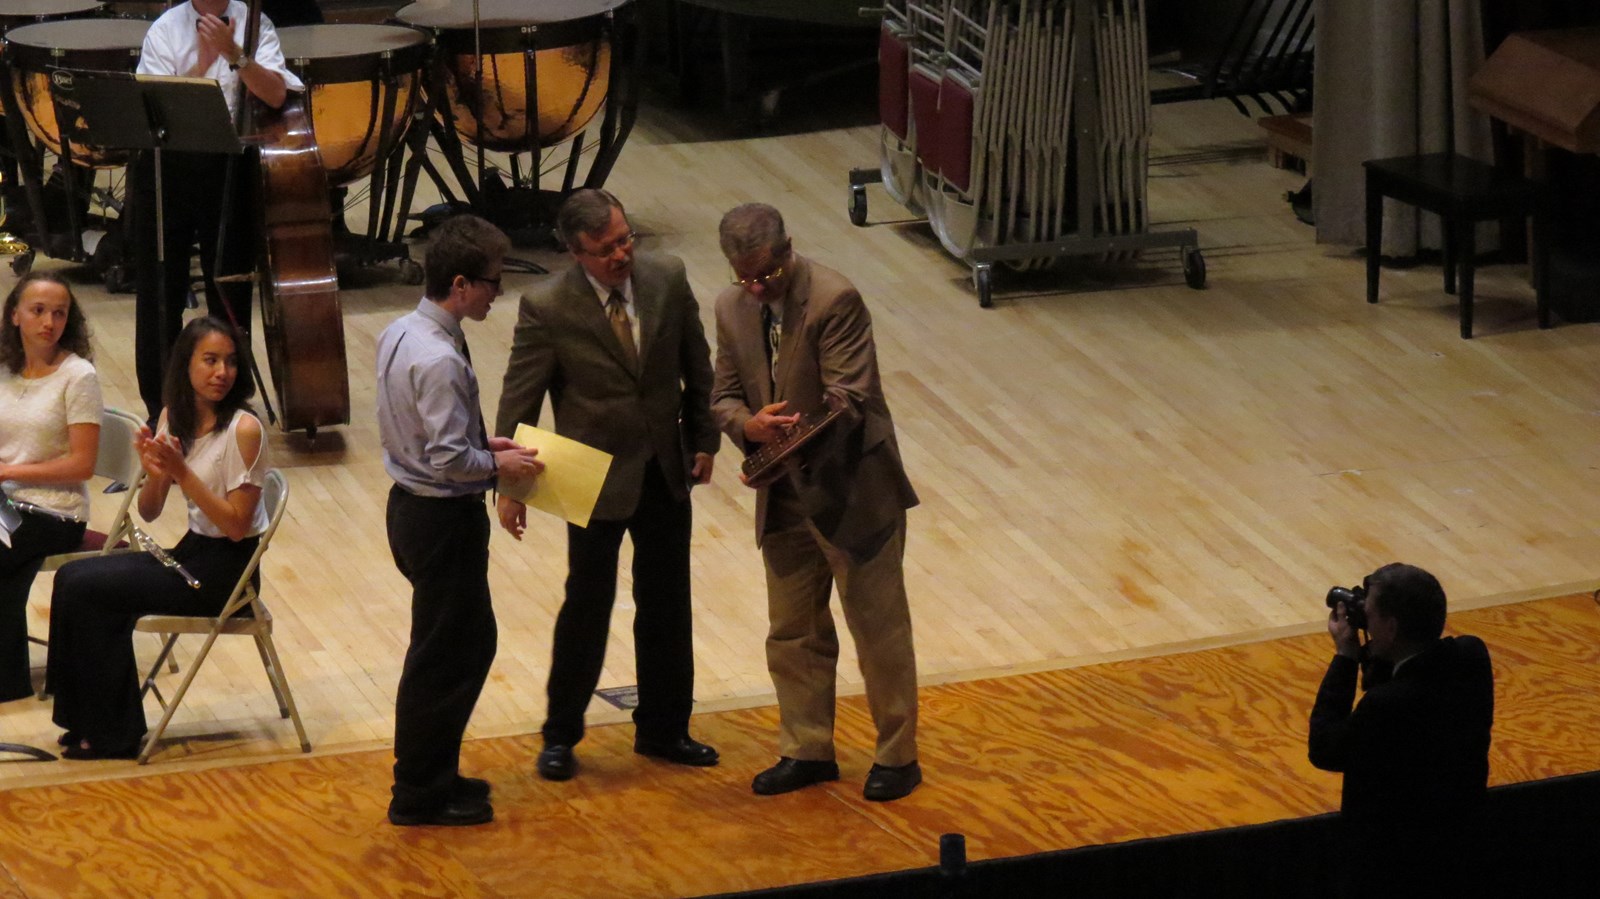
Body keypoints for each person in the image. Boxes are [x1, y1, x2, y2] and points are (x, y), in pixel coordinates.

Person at [494, 188, 721, 782]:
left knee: (668, 604)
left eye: (625, 240)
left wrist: (705, 438)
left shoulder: (667, 277)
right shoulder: (547, 306)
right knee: (586, 607)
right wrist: (510, 485)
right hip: (589, 477)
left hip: (664, 468)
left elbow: (698, 365)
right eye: (606, 249)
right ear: (576, 253)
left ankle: (666, 728)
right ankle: (560, 735)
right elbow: (520, 398)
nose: (621, 255)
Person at [709, 203, 922, 802]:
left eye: (766, 275)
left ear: (788, 250)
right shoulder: (730, 306)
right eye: (744, 277)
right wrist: (749, 427)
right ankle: (806, 750)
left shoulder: (835, 299)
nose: (755, 288)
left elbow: (848, 400)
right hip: (784, 496)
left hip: (851, 489)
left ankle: (898, 756)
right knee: (792, 632)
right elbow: (723, 395)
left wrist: (774, 448)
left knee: (877, 632)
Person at [377, 214, 541, 827]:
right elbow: (449, 462)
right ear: (462, 284)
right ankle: (418, 792)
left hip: (411, 508)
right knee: (445, 658)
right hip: (441, 519)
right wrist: (500, 468)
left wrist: (483, 446)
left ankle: (434, 773)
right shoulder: (440, 359)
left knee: (457, 647)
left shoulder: (401, 331)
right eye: (494, 281)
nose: (499, 291)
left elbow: (428, 438)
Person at [46, 316, 269, 759]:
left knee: (93, 592)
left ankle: (115, 734)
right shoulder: (175, 416)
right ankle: (84, 719)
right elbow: (149, 511)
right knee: (71, 578)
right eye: (210, 360)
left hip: (225, 572)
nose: (222, 372)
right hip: (192, 552)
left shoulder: (244, 430)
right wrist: (155, 472)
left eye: (229, 362)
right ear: (186, 365)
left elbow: (235, 527)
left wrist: (182, 473)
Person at [131, 0, 304, 423]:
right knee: (159, 292)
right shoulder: (165, 30)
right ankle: (163, 410)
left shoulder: (255, 23)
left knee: (229, 287)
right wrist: (203, 63)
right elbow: (158, 110)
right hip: (168, 167)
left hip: (231, 164)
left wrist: (234, 54)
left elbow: (276, 94)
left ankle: (228, 405)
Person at [1309, 562, 1495, 895]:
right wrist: (1378, 646)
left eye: (1369, 613)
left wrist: (1346, 655)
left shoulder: (1387, 705)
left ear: (1392, 628)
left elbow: (1325, 748)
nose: (1364, 618)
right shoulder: (1472, 657)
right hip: (1461, 851)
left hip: (1392, 871)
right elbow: (1410, 670)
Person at [0, 274, 100, 702]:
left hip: (54, 512)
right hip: (7, 503)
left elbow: (83, 464)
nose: (49, 322)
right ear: (15, 315)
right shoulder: (5, 370)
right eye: (38, 310)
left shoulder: (78, 376)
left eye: (59, 313)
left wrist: (8, 472)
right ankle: (8, 680)